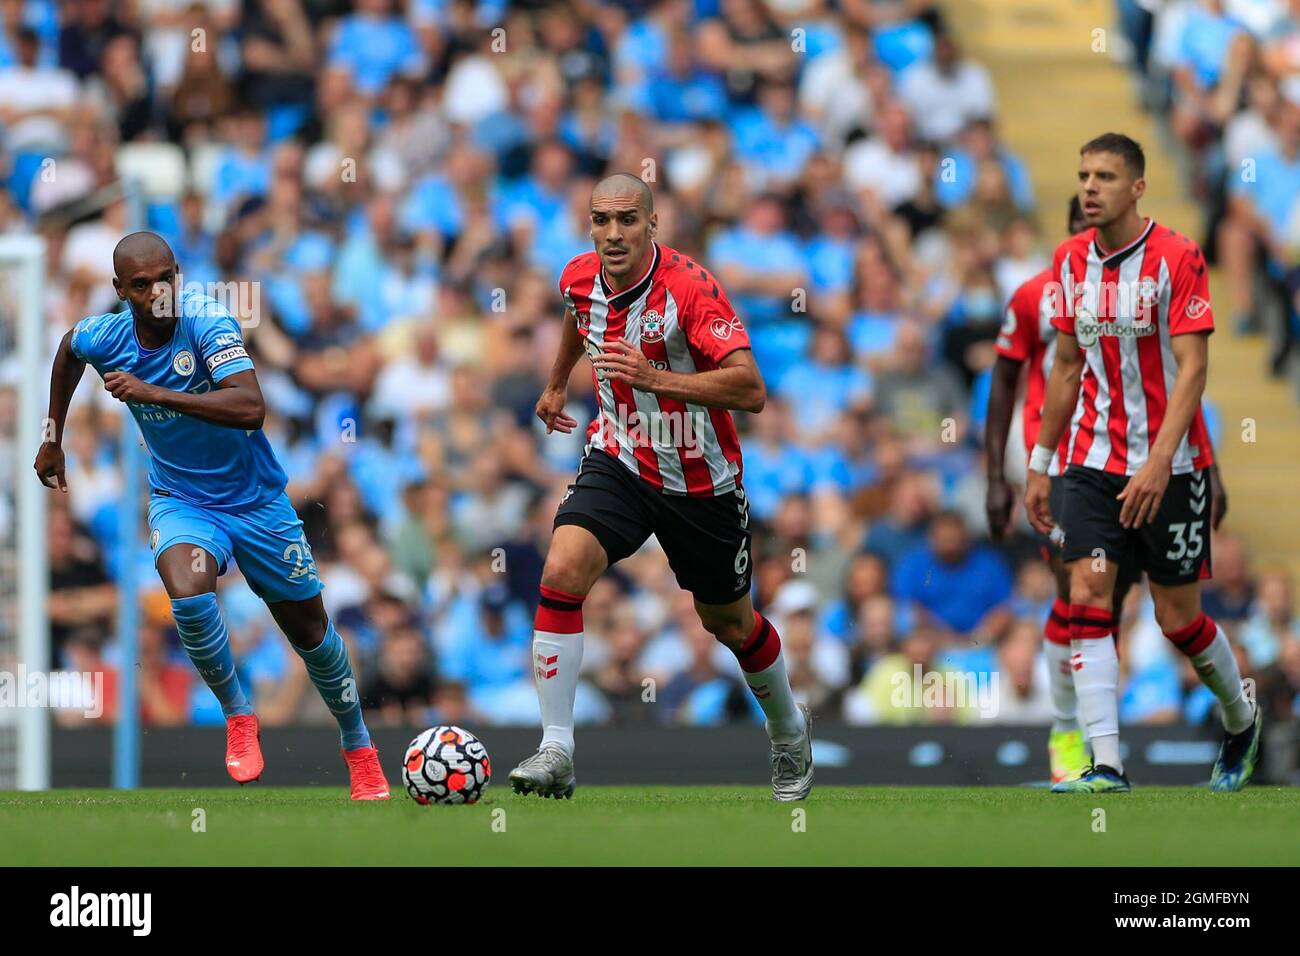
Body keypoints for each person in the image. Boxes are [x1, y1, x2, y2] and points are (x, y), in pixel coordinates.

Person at [34, 232, 390, 800]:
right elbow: (68, 351)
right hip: (183, 501)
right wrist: (52, 437)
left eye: (164, 279)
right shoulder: (107, 336)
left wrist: (153, 393)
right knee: (189, 591)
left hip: (257, 503)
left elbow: (251, 407)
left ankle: (359, 746)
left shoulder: (208, 321)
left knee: (312, 635)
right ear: (120, 290)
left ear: (178, 274)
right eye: (141, 284)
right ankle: (239, 717)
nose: (157, 293)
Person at [507, 172, 812, 801]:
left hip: (702, 480)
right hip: (620, 457)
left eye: (626, 220)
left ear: (653, 225)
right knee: (562, 567)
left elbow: (751, 390)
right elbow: (578, 317)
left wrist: (655, 379)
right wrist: (559, 381)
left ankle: (787, 728)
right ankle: (557, 746)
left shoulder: (691, 291)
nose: (612, 234)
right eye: (601, 220)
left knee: (727, 622)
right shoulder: (577, 276)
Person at [1025, 134, 1260, 793]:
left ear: (1137, 187)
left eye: (1104, 175)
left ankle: (1241, 719)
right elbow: (1066, 366)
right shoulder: (1069, 260)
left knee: (1177, 618)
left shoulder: (1178, 256)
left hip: (1172, 467)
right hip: (1091, 463)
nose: (1089, 186)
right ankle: (1106, 765)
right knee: (1089, 594)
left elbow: (1194, 368)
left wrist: (1160, 462)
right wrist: (1041, 464)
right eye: (1082, 175)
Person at [986, 196, 1229, 783]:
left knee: (1162, 612)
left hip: (1154, 463)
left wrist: (1209, 468)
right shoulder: (1038, 294)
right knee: (1082, 594)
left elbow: (1178, 380)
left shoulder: (1150, 284)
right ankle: (1079, 740)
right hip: (1076, 462)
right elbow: (1005, 379)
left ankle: (1231, 717)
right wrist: (1001, 472)